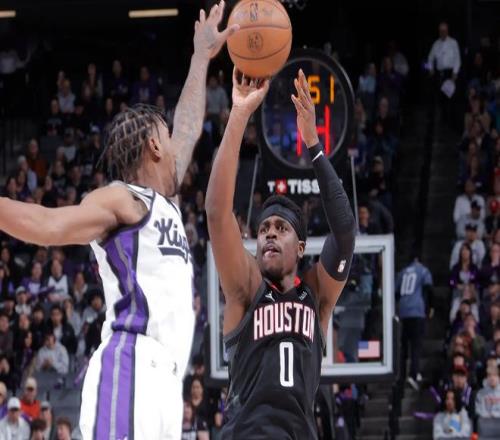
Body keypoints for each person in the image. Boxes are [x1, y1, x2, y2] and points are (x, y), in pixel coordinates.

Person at [0, 3, 237, 438]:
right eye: (166, 136)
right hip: (132, 364)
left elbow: (188, 129)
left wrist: (201, 58)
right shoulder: (122, 199)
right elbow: (47, 225)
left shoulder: (163, 200)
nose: (177, 142)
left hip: (167, 379)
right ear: (154, 147)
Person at [205, 68, 356, 439]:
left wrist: (314, 144)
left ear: (301, 247)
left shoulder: (316, 295)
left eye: (281, 228)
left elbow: (345, 232)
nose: (269, 233)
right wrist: (239, 114)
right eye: (263, 230)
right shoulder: (247, 288)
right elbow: (216, 213)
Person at [396, 254, 434, 390]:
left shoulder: (402, 272)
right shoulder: (423, 270)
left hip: (403, 311)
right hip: (417, 311)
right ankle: (413, 373)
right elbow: (428, 289)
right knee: (416, 345)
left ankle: (400, 374)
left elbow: (396, 292)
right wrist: (430, 307)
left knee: (404, 346)